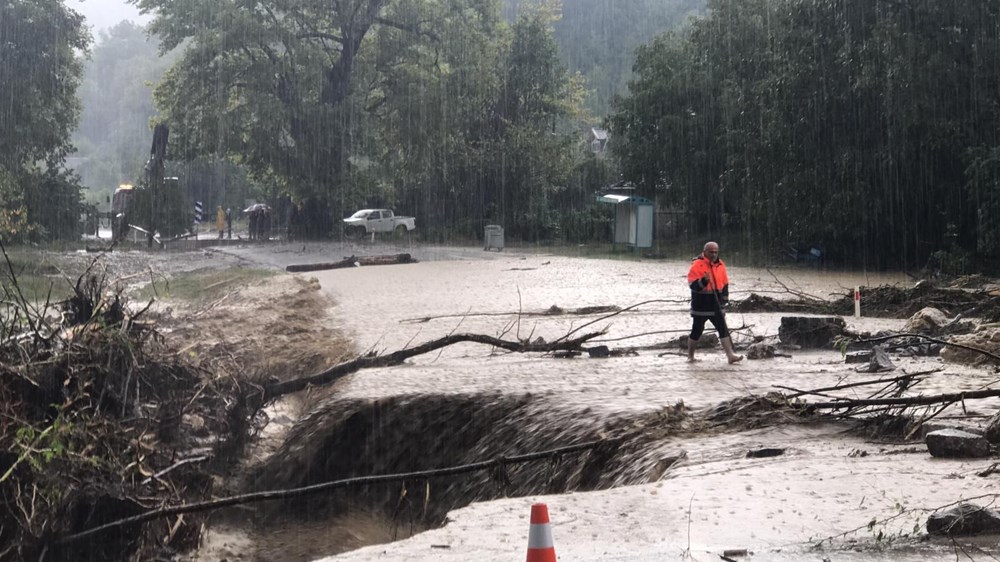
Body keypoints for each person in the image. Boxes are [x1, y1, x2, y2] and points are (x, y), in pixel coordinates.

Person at [687, 241, 743, 363]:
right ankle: (690, 356)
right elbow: (692, 285)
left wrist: (725, 298)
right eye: (711, 252)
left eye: (715, 252)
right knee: (697, 330)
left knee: (722, 329)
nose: (713, 254)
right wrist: (704, 281)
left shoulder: (721, 265)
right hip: (701, 304)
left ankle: (730, 356)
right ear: (705, 251)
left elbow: (725, 283)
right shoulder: (697, 265)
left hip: (716, 303)